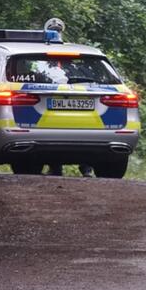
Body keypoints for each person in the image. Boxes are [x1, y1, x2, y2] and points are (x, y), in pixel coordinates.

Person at [41, 18, 94, 178]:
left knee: (80, 133)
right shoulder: (44, 52)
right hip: (58, 93)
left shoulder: (64, 51)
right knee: (58, 133)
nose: (56, 32)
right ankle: (57, 168)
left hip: (72, 93)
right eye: (54, 29)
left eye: (57, 29)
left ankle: (86, 168)